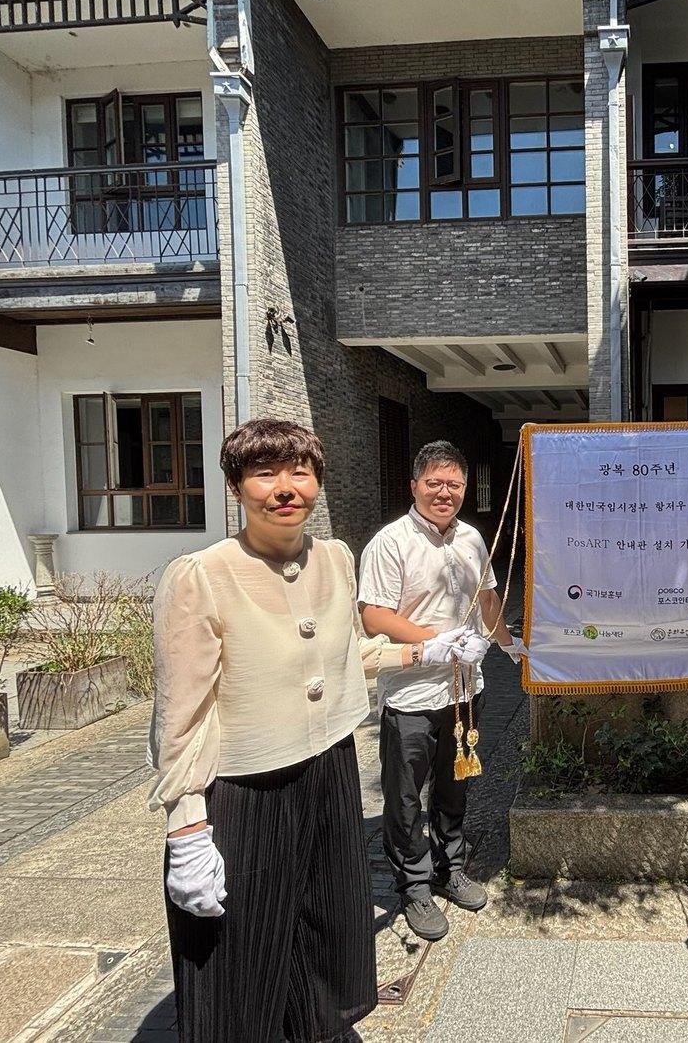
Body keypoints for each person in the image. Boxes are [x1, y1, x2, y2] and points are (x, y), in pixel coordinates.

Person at [148, 418, 472, 1043]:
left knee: (325, 924)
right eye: (265, 473)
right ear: (237, 487)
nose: (285, 488)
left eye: (300, 472)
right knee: (244, 946)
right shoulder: (200, 574)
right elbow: (180, 716)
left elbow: (349, 652)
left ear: (317, 483)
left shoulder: (333, 558)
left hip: (328, 772)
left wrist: (427, 652)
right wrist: (186, 824)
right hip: (244, 788)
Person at [357, 440, 523, 942]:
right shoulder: (390, 542)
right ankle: (415, 886)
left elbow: (488, 598)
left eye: (453, 484)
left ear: (464, 488)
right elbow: (374, 615)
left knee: (455, 787)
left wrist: (510, 645)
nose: (444, 493)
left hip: (465, 690)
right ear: (414, 487)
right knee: (405, 798)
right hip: (411, 694)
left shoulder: (473, 538)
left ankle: (450, 868)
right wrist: (437, 641)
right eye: (434, 483)